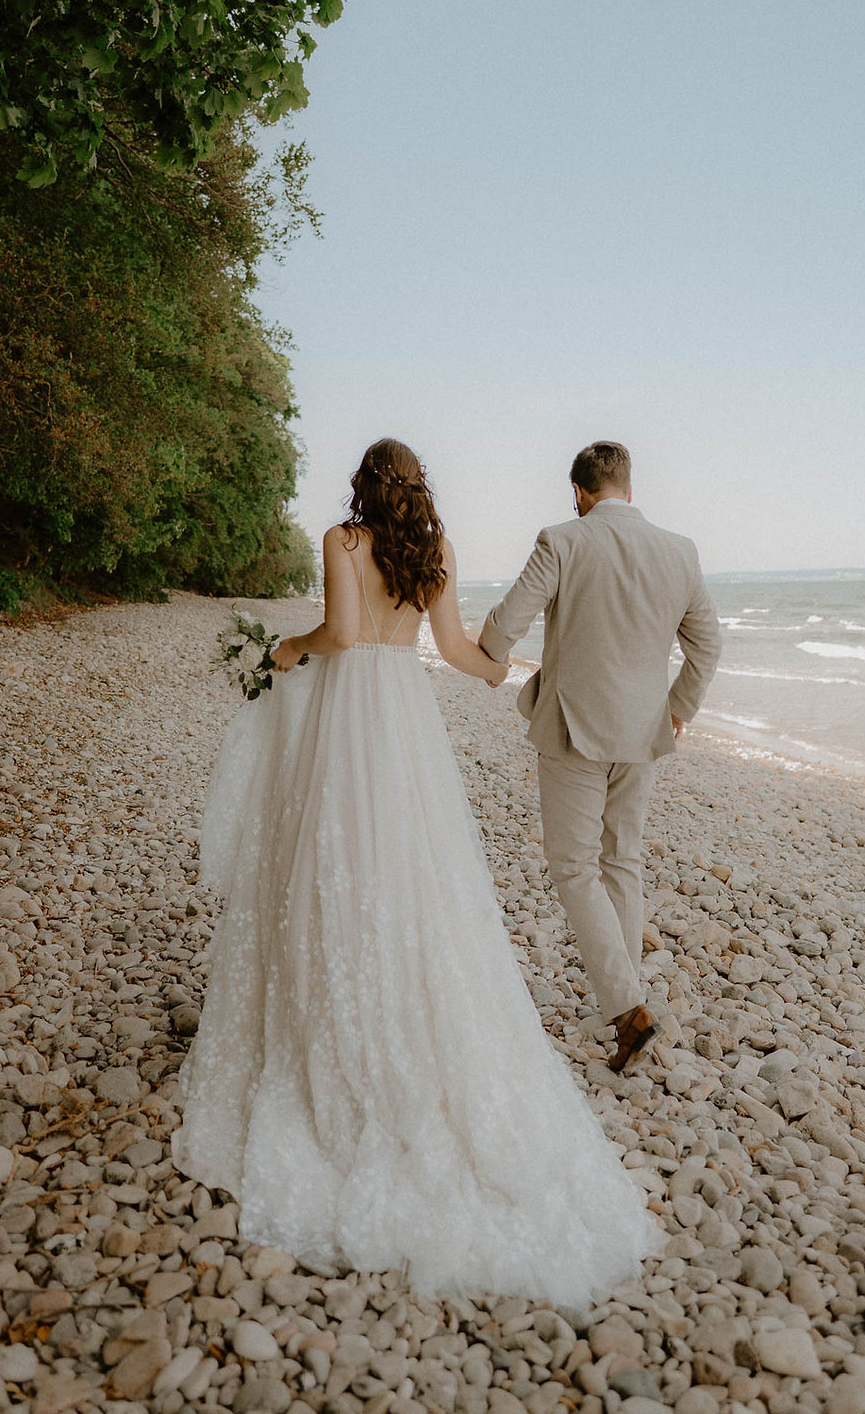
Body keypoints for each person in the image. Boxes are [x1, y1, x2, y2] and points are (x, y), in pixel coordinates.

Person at [172, 438, 660, 1306]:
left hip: (348, 713)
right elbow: (461, 653)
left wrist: (285, 648)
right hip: (404, 726)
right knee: (415, 874)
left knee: (332, 860)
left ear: (364, 485)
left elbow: (342, 635)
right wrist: (505, 671)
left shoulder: (343, 541)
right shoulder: (433, 551)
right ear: (418, 488)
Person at [480, 441, 722, 1074]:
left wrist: (492, 655)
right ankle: (627, 999)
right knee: (623, 860)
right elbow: (707, 645)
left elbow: (506, 624)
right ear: (630, 491)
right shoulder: (681, 550)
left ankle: (626, 1007)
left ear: (579, 495)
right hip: (644, 732)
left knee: (573, 868)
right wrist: (678, 708)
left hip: (573, 728)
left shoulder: (562, 540)